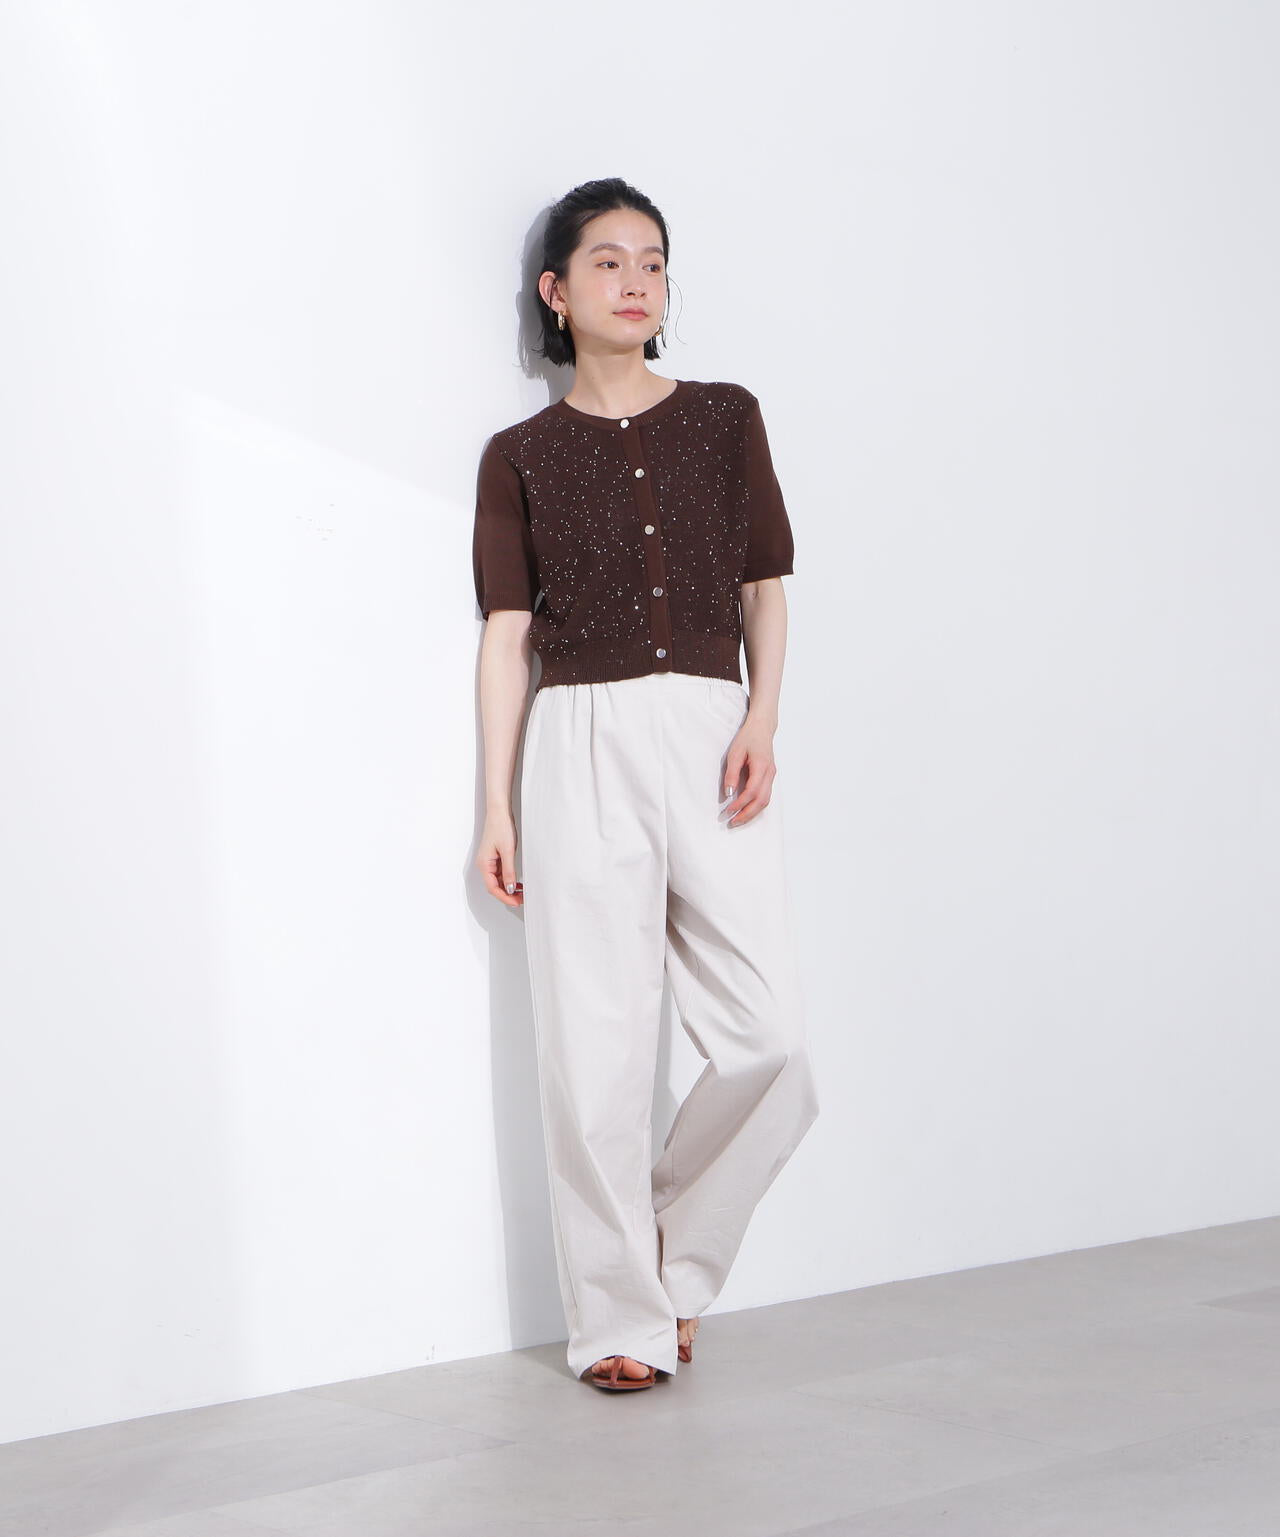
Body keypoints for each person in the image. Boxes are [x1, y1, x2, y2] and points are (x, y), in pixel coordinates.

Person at [472, 177, 819, 1392]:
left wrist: (761, 714)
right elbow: (506, 635)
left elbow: (764, 584)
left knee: (770, 1043)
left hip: (711, 729)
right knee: (596, 1048)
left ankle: (669, 1258)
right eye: (608, 262)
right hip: (577, 738)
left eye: (654, 262)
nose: (636, 282)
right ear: (556, 292)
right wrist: (496, 803)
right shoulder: (519, 455)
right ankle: (619, 1322)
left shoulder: (725, 417)